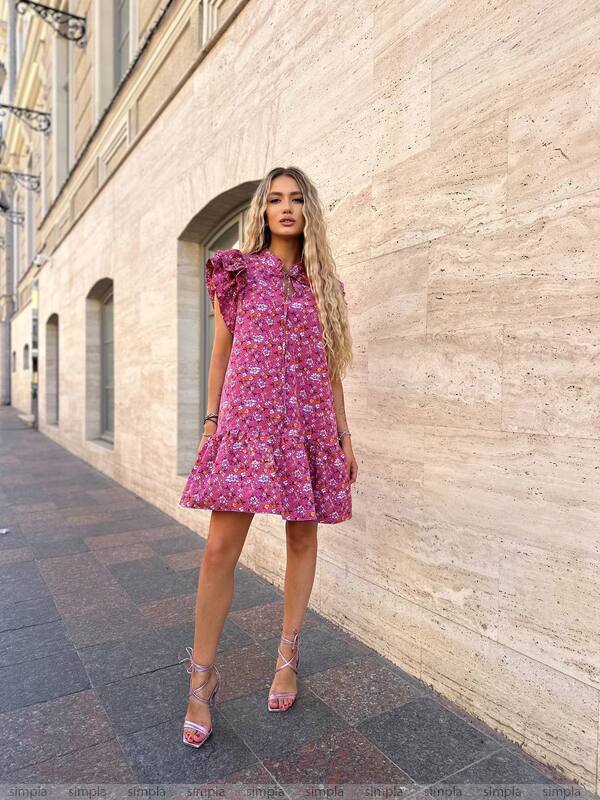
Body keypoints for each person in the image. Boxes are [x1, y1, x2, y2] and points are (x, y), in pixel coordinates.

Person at [177, 166, 358, 748]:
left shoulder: (322, 286)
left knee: (302, 539)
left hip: (306, 427)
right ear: (262, 209)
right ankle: (201, 681)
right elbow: (220, 355)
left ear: (309, 213)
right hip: (249, 427)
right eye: (275, 199)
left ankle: (288, 655)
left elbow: (330, 371)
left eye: (297, 199)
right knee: (218, 550)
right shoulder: (240, 272)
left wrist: (343, 435)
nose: (286, 208)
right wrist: (211, 423)